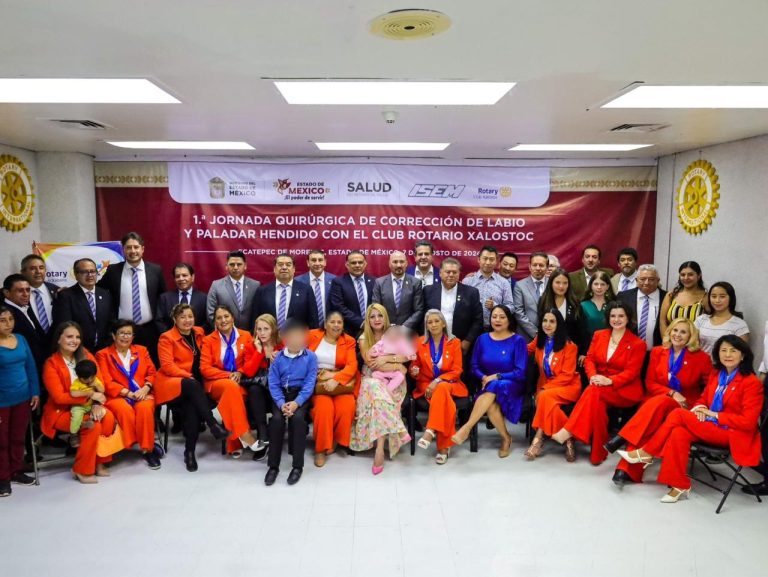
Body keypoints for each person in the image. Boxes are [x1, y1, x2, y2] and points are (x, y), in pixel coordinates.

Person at [619, 335, 764, 503]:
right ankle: (679, 484)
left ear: (743, 355)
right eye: (723, 350)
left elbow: (748, 422)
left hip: (732, 433)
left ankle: (647, 452)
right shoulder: (717, 374)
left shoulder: (751, 383)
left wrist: (715, 415)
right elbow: (703, 399)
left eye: (733, 351)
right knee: (679, 432)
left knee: (678, 414)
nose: (728, 354)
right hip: (710, 426)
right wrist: (701, 408)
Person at [608, 319, 711, 485]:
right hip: (657, 401)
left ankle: (622, 440)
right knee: (657, 408)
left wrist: (700, 405)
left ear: (691, 336)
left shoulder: (701, 358)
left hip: (685, 405)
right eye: (675, 330)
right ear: (669, 332)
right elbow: (650, 383)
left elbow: (710, 388)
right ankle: (625, 469)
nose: (677, 335)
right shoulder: (657, 352)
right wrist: (672, 393)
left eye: (683, 332)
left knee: (650, 415)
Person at [551, 301, 646, 465]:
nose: (616, 319)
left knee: (593, 392)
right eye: (613, 316)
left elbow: (632, 373)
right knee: (597, 404)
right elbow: (590, 360)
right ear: (608, 318)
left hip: (624, 390)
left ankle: (569, 430)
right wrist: (594, 376)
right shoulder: (599, 335)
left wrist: (609, 380)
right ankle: (598, 454)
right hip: (599, 385)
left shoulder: (638, 344)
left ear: (628, 318)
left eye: (621, 316)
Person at [155, 303, 230, 472]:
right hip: (173, 384)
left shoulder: (199, 333)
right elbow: (167, 366)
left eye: (190, 316)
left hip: (194, 390)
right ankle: (212, 424)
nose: (187, 320)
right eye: (182, 317)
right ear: (174, 319)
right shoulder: (166, 338)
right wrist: (189, 377)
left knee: (192, 406)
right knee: (192, 385)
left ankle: (189, 452)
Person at [42, 322, 117, 483]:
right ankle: (81, 469)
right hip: (61, 411)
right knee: (92, 426)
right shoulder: (51, 364)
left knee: (108, 417)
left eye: (77, 337)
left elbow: (99, 381)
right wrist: (89, 395)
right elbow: (59, 397)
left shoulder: (86, 355)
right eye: (69, 336)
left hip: (89, 406)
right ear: (58, 339)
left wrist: (96, 404)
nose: (74, 340)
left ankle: (100, 463)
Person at [452, 305, 527, 457]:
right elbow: (474, 366)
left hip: (511, 385)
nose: (497, 320)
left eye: (502, 317)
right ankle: (506, 438)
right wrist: (483, 377)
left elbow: (520, 372)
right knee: (491, 405)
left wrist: (497, 376)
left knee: (494, 385)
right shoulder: (482, 339)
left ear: (509, 320)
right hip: (488, 385)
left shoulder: (518, 340)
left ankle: (466, 428)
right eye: (494, 317)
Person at [350, 304, 411, 474]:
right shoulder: (364, 338)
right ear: (367, 320)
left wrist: (390, 361)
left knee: (380, 397)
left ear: (386, 318)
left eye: (380, 316)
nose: (376, 319)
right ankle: (384, 444)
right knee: (377, 390)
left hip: (394, 382)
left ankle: (381, 447)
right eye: (372, 316)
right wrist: (396, 363)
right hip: (370, 378)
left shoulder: (395, 333)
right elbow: (371, 364)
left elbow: (407, 356)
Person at [96, 319, 161, 469]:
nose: (125, 337)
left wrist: (145, 388)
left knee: (144, 409)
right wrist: (128, 394)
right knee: (124, 410)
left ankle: (147, 449)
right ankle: (131, 442)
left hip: (142, 392)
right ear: (113, 335)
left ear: (133, 337)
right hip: (117, 395)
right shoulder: (103, 355)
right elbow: (105, 380)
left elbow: (152, 372)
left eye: (128, 334)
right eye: (121, 333)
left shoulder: (142, 350)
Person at [200, 305, 261, 456]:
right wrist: (227, 375)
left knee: (233, 393)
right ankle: (246, 435)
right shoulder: (208, 340)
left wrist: (240, 372)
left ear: (233, 317)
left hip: (240, 382)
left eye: (226, 316)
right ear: (215, 322)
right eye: (219, 318)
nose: (223, 320)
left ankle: (234, 443)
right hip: (216, 382)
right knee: (231, 387)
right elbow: (204, 368)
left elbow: (250, 361)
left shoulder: (246, 335)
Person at [264, 319, 318, 486]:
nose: (296, 340)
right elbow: (272, 382)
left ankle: (297, 466)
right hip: (281, 396)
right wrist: (281, 403)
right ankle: (273, 466)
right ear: (285, 338)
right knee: (277, 421)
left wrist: (296, 403)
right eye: (292, 336)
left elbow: (310, 383)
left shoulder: (310, 357)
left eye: (300, 336)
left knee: (298, 420)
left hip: (300, 396)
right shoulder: (278, 357)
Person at [410, 309, 468, 464]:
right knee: (445, 402)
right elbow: (414, 368)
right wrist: (414, 371)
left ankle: (430, 431)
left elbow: (457, 370)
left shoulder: (454, 342)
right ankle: (443, 447)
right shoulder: (419, 342)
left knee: (441, 388)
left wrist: (438, 381)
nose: (433, 324)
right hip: (426, 385)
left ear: (443, 323)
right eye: (430, 322)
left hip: (450, 383)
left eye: (437, 321)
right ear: (426, 326)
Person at [98, 231, 166, 361]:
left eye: (136, 247)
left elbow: (162, 297)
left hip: (149, 330)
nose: (132, 251)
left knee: (150, 364)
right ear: (123, 250)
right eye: (128, 247)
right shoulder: (113, 271)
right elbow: (97, 290)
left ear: (142, 249)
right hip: (122, 331)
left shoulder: (155, 270)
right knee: (124, 365)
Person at [524, 309, 581, 460]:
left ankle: (538, 438)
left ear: (559, 324)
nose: (547, 325)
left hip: (567, 386)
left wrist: (545, 388)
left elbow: (567, 375)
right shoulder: (539, 340)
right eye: (545, 321)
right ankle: (568, 438)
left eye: (552, 321)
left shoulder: (570, 346)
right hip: (546, 386)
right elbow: (523, 350)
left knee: (543, 396)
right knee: (548, 402)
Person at [307, 311, 358, 467]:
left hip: (340, 381)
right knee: (324, 408)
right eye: (332, 322)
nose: (336, 325)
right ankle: (320, 449)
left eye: (339, 322)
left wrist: (335, 379)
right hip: (318, 381)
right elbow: (294, 349)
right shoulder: (311, 335)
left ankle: (335, 440)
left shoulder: (348, 340)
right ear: (325, 324)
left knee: (347, 406)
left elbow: (352, 365)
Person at [0, 305, 40, 496]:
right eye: (2, 320)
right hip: (2, 401)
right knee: (2, 440)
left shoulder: (21, 339)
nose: (8, 324)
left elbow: (30, 367)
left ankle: (15, 470)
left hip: (22, 397)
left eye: (11, 319)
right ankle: (3, 477)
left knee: (17, 437)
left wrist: (35, 392)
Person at [423, 258, 483, 356]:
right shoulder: (428, 291)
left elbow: (478, 320)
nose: (451, 275)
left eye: (454, 272)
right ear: (440, 273)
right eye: (447, 272)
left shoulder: (471, 293)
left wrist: (467, 341)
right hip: (433, 342)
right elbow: (423, 317)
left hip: (460, 344)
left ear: (459, 274)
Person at [52, 258, 114, 352]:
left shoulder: (105, 294)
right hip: (78, 350)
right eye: (84, 272)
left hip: (103, 350)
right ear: (76, 275)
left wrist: (107, 345)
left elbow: (111, 322)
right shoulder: (66, 296)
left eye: (93, 271)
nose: (90, 275)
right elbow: (65, 325)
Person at [246, 313, 282, 461]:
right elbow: (248, 372)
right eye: (259, 329)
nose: (261, 333)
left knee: (278, 417)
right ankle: (262, 434)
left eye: (266, 329)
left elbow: (292, 373)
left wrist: (279, 359)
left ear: (273, 329)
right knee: (254, 390)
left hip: (278, 391)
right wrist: (259, 352)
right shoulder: (252, 346)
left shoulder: (282, 345)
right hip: (260, 394)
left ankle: (274, 438)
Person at [254, 253, 318, 332]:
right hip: (269, 341)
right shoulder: (262, 291)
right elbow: (255, 320)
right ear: (274, 269)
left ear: (294, 269)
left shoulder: (306, 290)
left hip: (297, 341)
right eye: (280, 264)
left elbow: (313, 320)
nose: (284, 267)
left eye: (288, 265)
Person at [206, 250, 260, 331]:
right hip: (225, 336)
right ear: (226, 266)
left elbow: (259, 312)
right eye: (232, 264)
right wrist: (226, 331)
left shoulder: (255, 285)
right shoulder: (216, 285)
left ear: (245, 266)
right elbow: (211, 313)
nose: (235, 267)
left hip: (250, 335)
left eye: (239, 264)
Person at [462, 245, 514, 330]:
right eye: (485, 258)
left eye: (491, 259)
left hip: (495, 329)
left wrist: (496, 306)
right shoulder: (468, 281)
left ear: (496, 261)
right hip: (470, 328)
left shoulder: (504, 283)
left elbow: (511, 308)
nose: (488, 262)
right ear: (479, 259)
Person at [617, 264, 667, 351]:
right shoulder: (624, 297)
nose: (646, 282)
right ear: (636, 280)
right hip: (629, 352)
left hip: (657, 352)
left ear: (658, 280)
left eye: (651, 279)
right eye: (642, 279)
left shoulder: (667, 297)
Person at [3, 274, 48, 369]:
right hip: (21, 369)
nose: (26, 294)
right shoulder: (5, 314)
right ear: (7, 293)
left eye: (28, 290)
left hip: (39, 366)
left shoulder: (25, 307)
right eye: (20, 290)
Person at [372, 250, 424, 332]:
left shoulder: (415, 283)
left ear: (406, 263)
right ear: (389, 264)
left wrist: (405, 327)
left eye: (401, 262)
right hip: (385, 332)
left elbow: (419, 310)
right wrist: (388, 326)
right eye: (395, 262)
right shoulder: (379, 283)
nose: (399, 265)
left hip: (408, 332)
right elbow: (376, 309)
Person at [694, 281, 750, 355]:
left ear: (731, 298)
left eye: (722, 296)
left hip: (725, 366)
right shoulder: (701, 319)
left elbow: (740, 354)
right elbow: (692, 345)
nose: (717, 300)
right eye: (713, 296)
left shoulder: (740, 325)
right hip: (700, 364)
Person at [329, 250, 376, 336]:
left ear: (365, 264)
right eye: (353, 263)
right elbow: (338, 306)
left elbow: (377, 304)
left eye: (360, 262)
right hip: (348, 331)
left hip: (372, 330)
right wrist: (361, 322)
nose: (357, 265)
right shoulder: (338, 282)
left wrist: (371, 322)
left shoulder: (374, 281)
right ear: (347, 265)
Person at [155, 262, 209, 334]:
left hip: (196, 340)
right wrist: (172, 336)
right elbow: (159, 321)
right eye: (177, 276)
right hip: (171, 341)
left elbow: (207, 321)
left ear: (192, 277)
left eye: (184, 275)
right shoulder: (165, 298)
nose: (181, 279)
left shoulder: (204, 298)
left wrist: (194, 335)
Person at [537, 268, 583, 348]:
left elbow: (581, 328)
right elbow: (541, 326)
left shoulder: (574, 302)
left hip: (571, 348)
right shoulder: (543, 301)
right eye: (557, 282)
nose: (561, 286)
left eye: (565, 283)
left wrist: (583, 352)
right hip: (549, 348)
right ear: (551, 283)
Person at [659, 261, 707, 334]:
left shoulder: (705, 297)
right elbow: (662, 321)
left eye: (690, 274)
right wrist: (666, 341)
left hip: (695, 344)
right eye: (683, 275)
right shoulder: (671, 295)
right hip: (672, 343)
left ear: (699, 275)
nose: (686, 278)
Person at [512, 251, 549, 341]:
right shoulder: (520, 285)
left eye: (541, 265)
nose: (538, 268)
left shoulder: (552, 284)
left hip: (550, 335)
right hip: (526, 337)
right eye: (534, 265)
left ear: (547, 267)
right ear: (529, 266)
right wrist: (536, 334)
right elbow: (518, 312)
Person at [368, 325, 417, 391]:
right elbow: (376, 347)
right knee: (375, 375)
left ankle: (389, 389)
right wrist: (374, 351)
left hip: (394, 370)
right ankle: (384, 381)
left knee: (400, 376)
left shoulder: (401, 343)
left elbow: (407, 349)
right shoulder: (383, 341)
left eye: (395, 334)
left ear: (399, 336)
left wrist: (411, 354)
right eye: (389, 333)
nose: (392, 335)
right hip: (382, 369)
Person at [20, 253, 58, 337]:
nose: (38, 271)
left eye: (41, 268)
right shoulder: (17, 295)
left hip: (56, 344)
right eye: (33, 268)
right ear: (23, 272)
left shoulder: (57, 290)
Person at [580, 270, 617, 354]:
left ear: (607, 286)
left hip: (610, 348)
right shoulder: (583, 305)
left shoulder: (613, 305)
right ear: (591, 286)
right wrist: (583, 352)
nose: (599, 287)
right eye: (596, 284)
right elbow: (581, 332)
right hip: (589, 348)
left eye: (602, 284)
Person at [296, 249, 336, 326]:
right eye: (313, 260)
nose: (317, 263)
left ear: (325, 262)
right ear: (308, 263)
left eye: (320, 260)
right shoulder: (298, 281)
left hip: (330, 328)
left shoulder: (335, 281)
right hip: (306, 328)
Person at [68, 360, 104, 442]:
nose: (90, 380)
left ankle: (87, 423)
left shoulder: (95, 380)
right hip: (79, 406)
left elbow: (102, 390)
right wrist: (88, 393)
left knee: (100, 412)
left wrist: (97, 385)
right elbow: (73, 393)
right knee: (76, 416)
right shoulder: (77, 383)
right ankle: (73, 434)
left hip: (91, 405)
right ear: (79, 377)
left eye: (92, 377)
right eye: (86, 379)